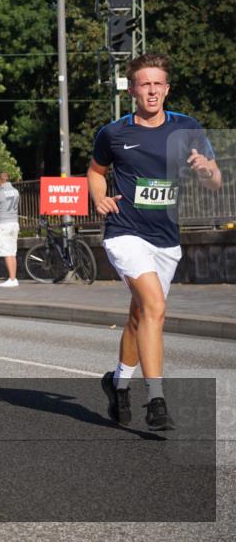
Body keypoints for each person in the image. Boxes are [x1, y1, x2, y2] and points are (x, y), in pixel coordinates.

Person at [88, 53, 221, 431]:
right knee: (155, 307)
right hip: (125, 232)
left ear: (167, 89)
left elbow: (216, 180)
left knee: (139, 316)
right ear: (132, 90)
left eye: (157, 84)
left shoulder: (187, 127)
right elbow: (96, 172)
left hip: (165, 239)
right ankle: (156, 399)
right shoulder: (113, 133)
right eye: (144, 84)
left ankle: (118, 384)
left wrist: (205, 169)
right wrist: (99, 196)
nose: (151, 91)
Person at [0, 171, 20, 287]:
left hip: (4, 225)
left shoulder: (0, 192)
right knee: (12, 252)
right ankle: (13, 278)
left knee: (7, 252)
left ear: (0, 180)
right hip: (14, 223)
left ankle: (11, 279)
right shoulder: (16, 191)